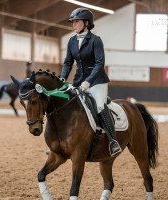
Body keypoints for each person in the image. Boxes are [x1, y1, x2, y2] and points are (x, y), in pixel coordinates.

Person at [60, 7, 122, 157]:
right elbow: (68, 62)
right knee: (65, 104)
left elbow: (99, 63)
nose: (73, 24)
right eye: (72, 22)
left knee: (100, 106)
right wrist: (62, 79)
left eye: (76, 22)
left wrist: (88, 82)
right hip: (78, 81)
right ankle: (61, 141)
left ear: (86, 23)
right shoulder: (72, 41)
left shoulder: (96, 40)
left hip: (97, 82)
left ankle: (113, 141)